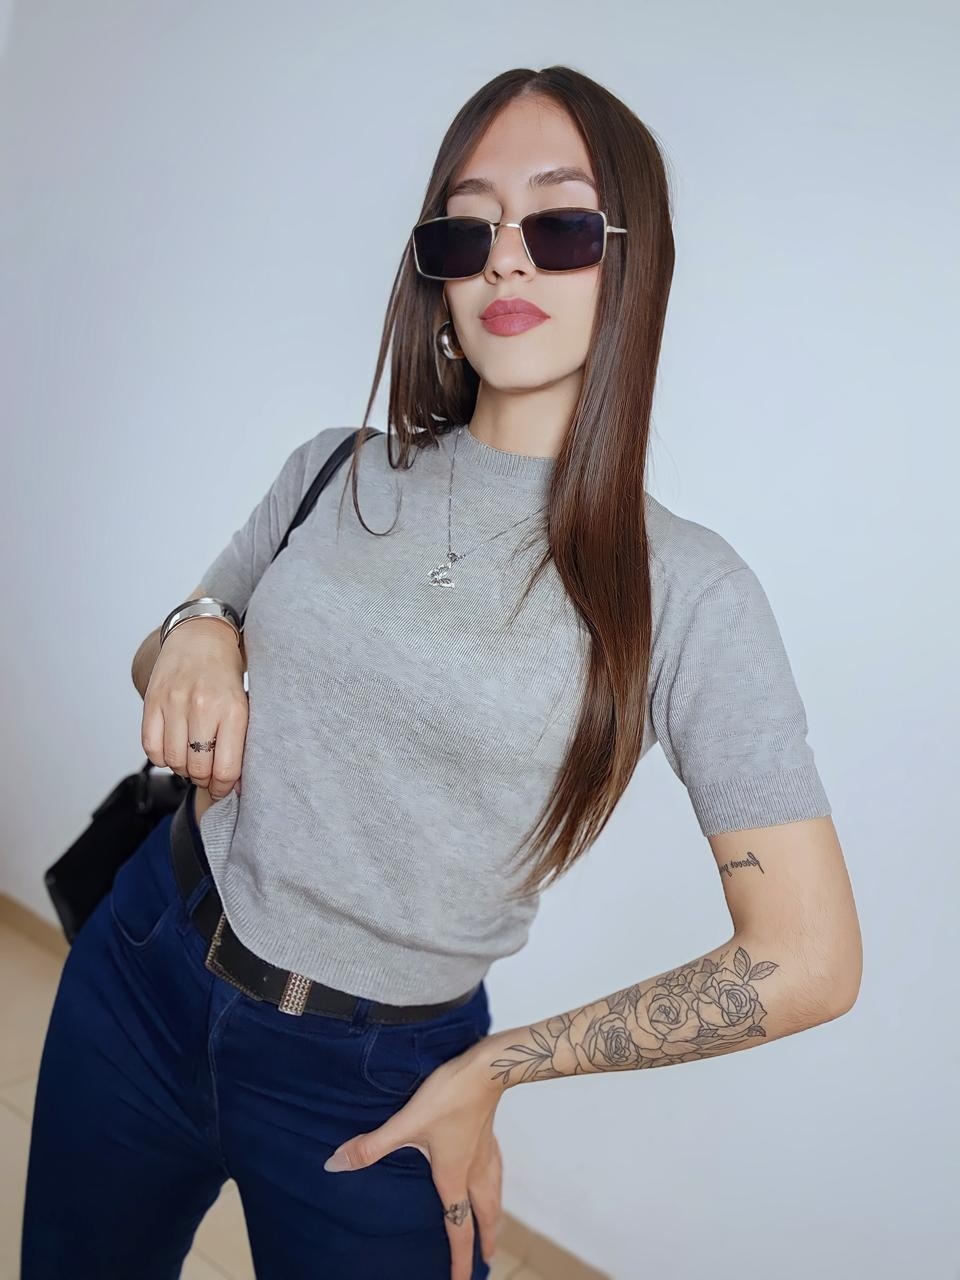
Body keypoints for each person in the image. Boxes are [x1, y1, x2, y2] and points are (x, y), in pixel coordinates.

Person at [20, 64, 862, 1280]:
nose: (506, 260)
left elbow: (809, 956)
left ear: (632, 263)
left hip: (376, 1078)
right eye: (469, 230)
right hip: (146, 964)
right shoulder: (336, 467)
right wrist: (199, 628)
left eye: (560, 224)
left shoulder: (686, 590)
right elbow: (173, 651)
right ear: (440, 274)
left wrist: (500, 1065)